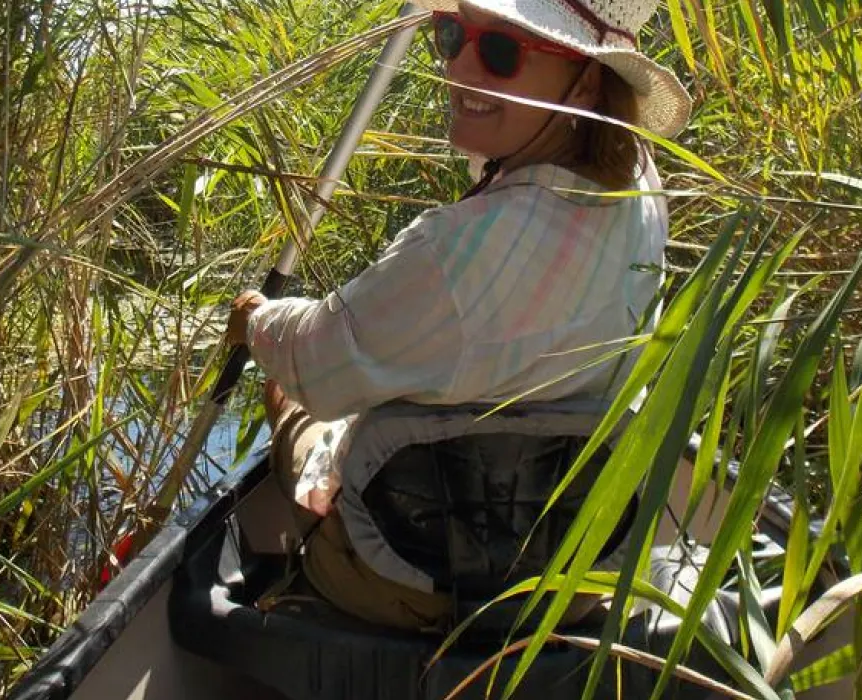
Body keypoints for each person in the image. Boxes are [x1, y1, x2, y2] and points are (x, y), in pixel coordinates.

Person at [225, 0, 690, 632]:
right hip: (574, 579)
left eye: (503, 52)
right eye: (452, 34)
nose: (462, 66)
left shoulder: (455, 250)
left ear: (584, 81)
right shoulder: (638, 182)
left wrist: (258, 320)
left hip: (408, 580)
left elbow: (315, 361)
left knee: (299, 400)